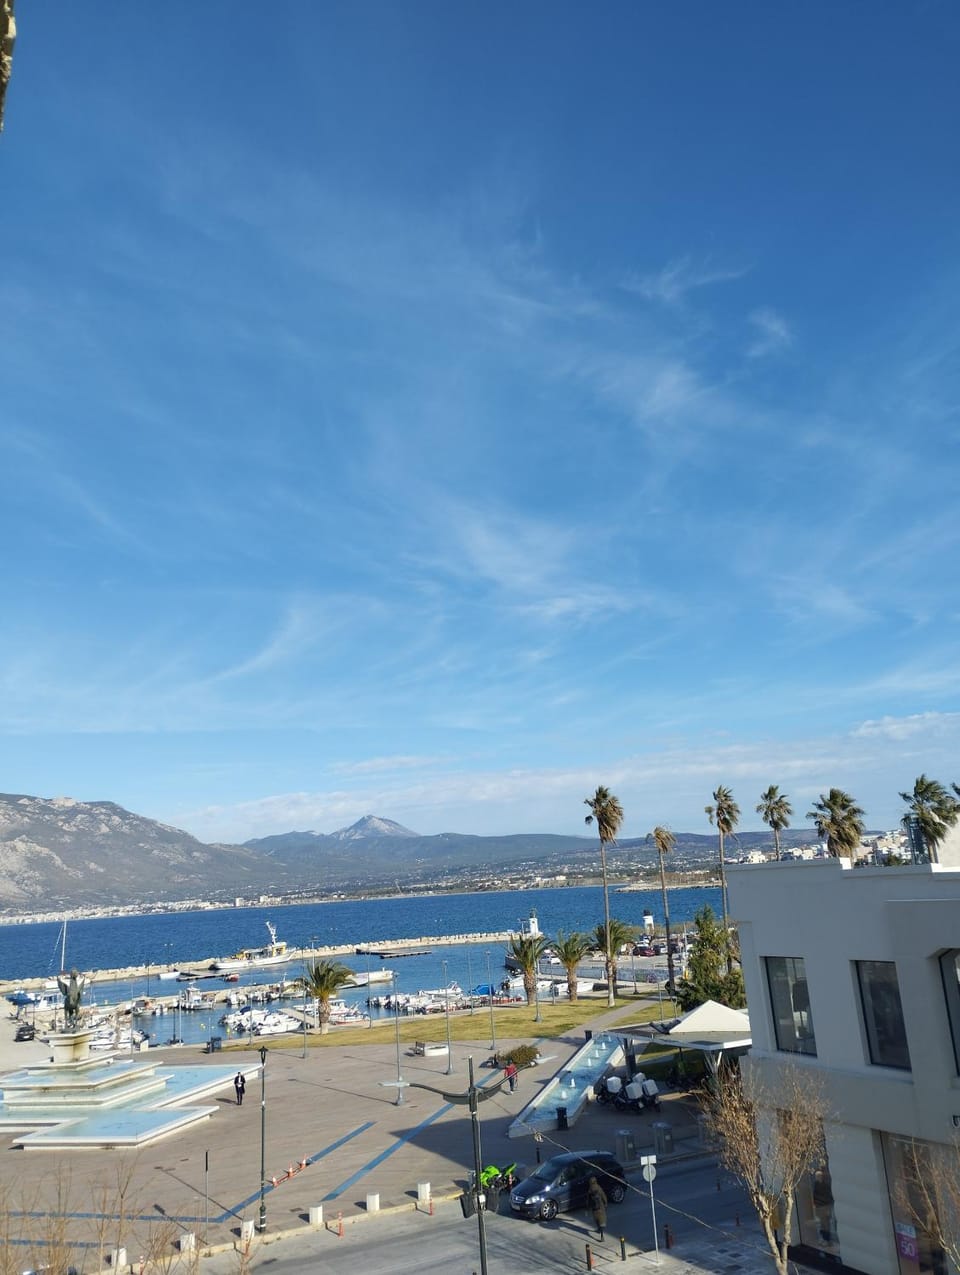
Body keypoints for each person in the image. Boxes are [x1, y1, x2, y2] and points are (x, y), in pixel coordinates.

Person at [587, 1175, 607, 1241]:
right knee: (601, 1221)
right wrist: (605, 1203)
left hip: (594, 1209)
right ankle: (602, 1236)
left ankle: (598, 1229)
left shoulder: (589, 1190)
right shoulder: (598, 1188)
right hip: (600, 1207)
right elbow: (603, 1195)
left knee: (597, 1220)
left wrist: (588, 1207)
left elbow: (588, 1200)